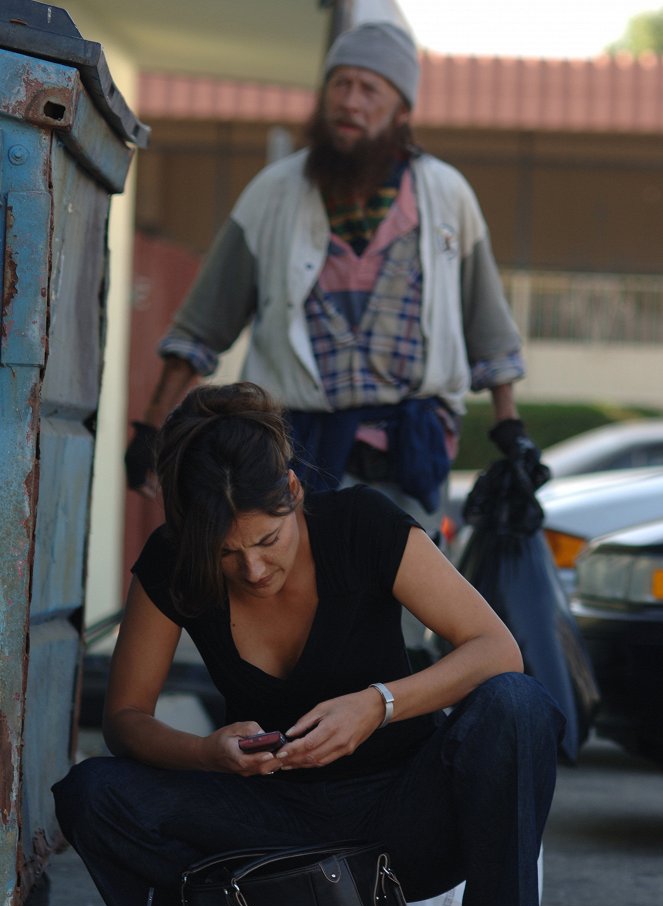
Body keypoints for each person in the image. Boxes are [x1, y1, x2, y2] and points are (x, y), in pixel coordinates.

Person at [54, 382, 564, 906]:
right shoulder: (172, 562)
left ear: (294, 492)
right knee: (94, 793)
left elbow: (496, 648)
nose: (253, 569)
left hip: (404, 818)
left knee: (516, 704)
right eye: (226, 553)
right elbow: (126, 717)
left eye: (269, 541)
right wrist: (206, 753)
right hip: (268, 824)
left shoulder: (363, 523)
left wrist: (378, 705)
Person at [124, 21, 547, 540]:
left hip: (409, 455)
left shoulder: (447, 197)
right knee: (298, 607)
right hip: (293, 451)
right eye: (340, 84)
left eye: (370, 89)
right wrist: (150, 428)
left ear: (402, 111)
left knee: (404, 610)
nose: (350, 100)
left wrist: (510, 429)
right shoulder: (272, 196)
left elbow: (488, 325)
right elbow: (200, 325)